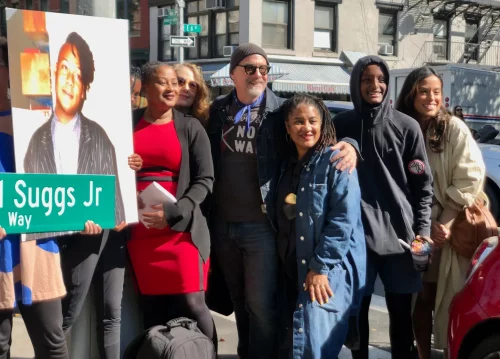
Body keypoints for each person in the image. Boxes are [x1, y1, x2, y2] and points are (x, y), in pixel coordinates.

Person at [206, 43, 358, 359]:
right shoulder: (217, 111)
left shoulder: (280, 111)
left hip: (263, 226)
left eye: (264, 69)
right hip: (222, 225)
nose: (258, 74)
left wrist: (351, 145)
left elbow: (322, 129)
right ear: (233, 73)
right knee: (238, 304)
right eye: (250, 68)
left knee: (261, 305)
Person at [0, 35, 100, 359]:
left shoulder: (48, 126)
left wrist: (88, 215)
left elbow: (75, 188)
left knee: (53, 342)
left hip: (36, 248)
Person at [333, 56, 434, 359]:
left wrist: (423, 231)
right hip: (357, 238)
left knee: (401, 316)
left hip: (401, 239)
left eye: (380, 79)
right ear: (356, 84)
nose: (374, 85)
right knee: (357, 315)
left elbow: (423, 187)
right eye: (366, 79)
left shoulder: (408, 126)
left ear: (388, 84)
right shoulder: (341, 125)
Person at [396, 67, 486, 359]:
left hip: (449, 227)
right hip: (413, 229)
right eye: (424, 91)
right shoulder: (399, 127)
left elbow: (470, 177)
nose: (431, 97)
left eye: (436, 91)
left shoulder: (453, 128)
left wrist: (444, 224)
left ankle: (450, 353)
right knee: (420, 297)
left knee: (450, 298)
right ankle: (424, 355)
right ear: (411, 94)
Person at [127, 62, 217, 348]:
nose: (171, 88)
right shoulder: (128, 122)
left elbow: (205, 180)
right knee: (153, 310)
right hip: (141, 233)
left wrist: (174, 211)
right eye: (163, 83)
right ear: (145, 87)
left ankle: (207, 354)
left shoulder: (190, 127)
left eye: (175, 83)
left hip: (182, 232)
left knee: (193, 303)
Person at [277, 94, 366, 359]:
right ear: (287, 127)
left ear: (322, 122)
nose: (307, 128)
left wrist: (320, 267)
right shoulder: (286, 166)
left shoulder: (337, 161)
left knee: (314, 349)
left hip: (325, 272)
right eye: (299, 121)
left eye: (312, 121)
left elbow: (343, 221)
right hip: (293, 270)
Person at [23, 31, 125, 235]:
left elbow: (116, 212)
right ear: (53, 74)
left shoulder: (100, 139)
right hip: (48, 245)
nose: (69, 80)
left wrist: (106, 221)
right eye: (64, 68)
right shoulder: (36, 140)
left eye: (77, 75)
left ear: (85, 89)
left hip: (87, 247)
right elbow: (28, 210)